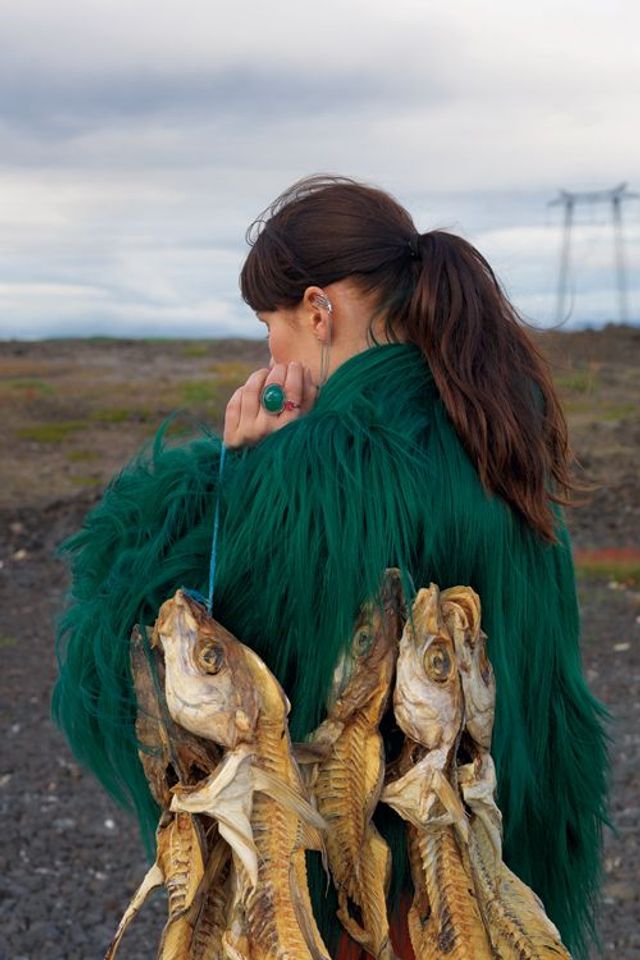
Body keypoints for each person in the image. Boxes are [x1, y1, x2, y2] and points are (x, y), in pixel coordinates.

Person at [52, 173, 609, 959]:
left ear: (318, 311)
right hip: (505, 874)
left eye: (269, 326)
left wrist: (233, 471)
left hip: (376, 903)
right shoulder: (499, 432)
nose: (270, 353)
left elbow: (190, 665)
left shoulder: (321, 472)